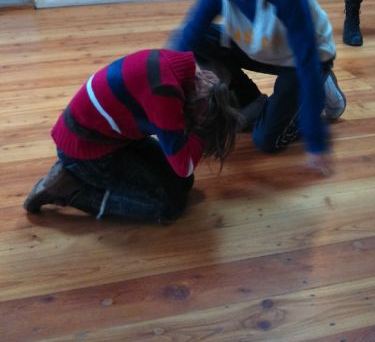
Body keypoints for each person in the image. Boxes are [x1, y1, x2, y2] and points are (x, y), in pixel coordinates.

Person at [170, 0, 346, 176]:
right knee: (200, 38)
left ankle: (323, 90)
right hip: (261, 47)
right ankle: (252, 103)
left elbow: (307, 61)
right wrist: (161, 84)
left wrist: (316, 141)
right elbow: (188, 34)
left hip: (304, 61)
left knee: (266, 141)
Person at [23, 48, 240, 222]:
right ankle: (70, 191)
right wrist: (202, 131)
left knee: (183, 183)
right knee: (168, 207)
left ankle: (73, 177)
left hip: (112, 137)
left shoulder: (177, 68)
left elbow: (183, 171)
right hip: (86, 152)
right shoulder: (165, 95)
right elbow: (184, 166)